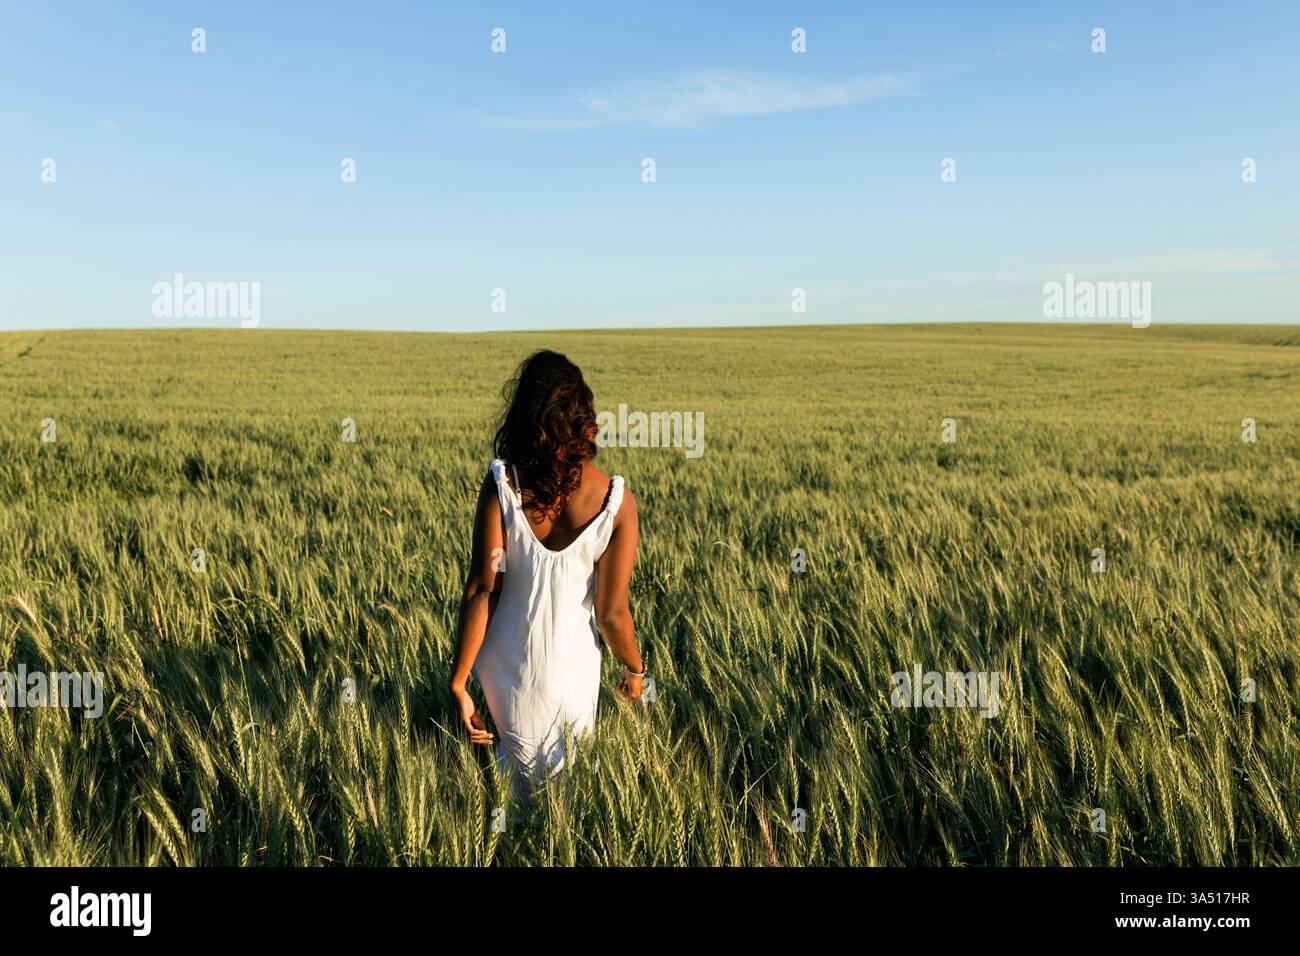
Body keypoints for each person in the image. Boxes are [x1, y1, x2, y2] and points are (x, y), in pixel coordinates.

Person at [448, 350, 646, 796]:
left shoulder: (502, 483)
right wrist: (635, 670)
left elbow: (483, 590)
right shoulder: (616, 502)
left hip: (505, 680)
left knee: (504, 808)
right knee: (568, 811)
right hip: (571, 681)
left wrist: (459, 684)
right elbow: (613, 613)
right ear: (584, 420)